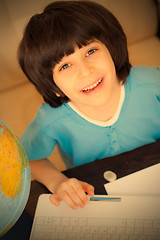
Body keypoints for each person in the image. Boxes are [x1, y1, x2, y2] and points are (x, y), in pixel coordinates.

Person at [18, 0, 160, 209]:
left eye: (90, 51)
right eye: (65, 65)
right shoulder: (50, 119)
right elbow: (25, 160)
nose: (85, 72)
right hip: (96, 195)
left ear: (111, 48)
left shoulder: (150, 82)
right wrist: (57, 182)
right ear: (53, 87)